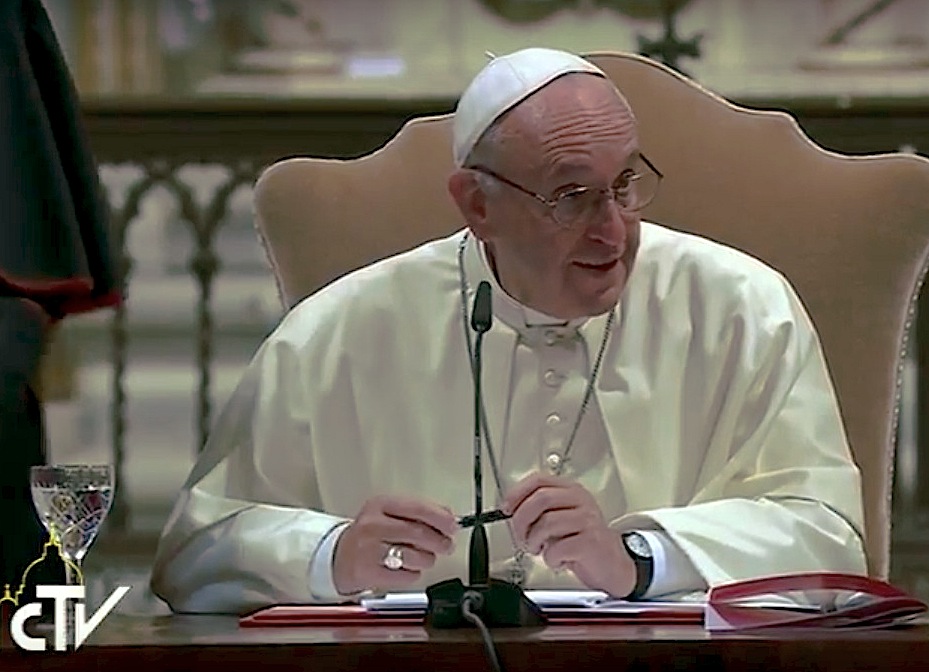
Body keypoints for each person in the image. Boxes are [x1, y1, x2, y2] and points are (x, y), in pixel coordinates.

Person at [150, 47, 867, 615]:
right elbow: (196, 551)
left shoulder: (741, 308)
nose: (614, 230)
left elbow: (830, 541)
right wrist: (329, 555)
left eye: (624, 184)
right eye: (571, 197)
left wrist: (640, 559)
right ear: (477, 204)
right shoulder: (339, 332)